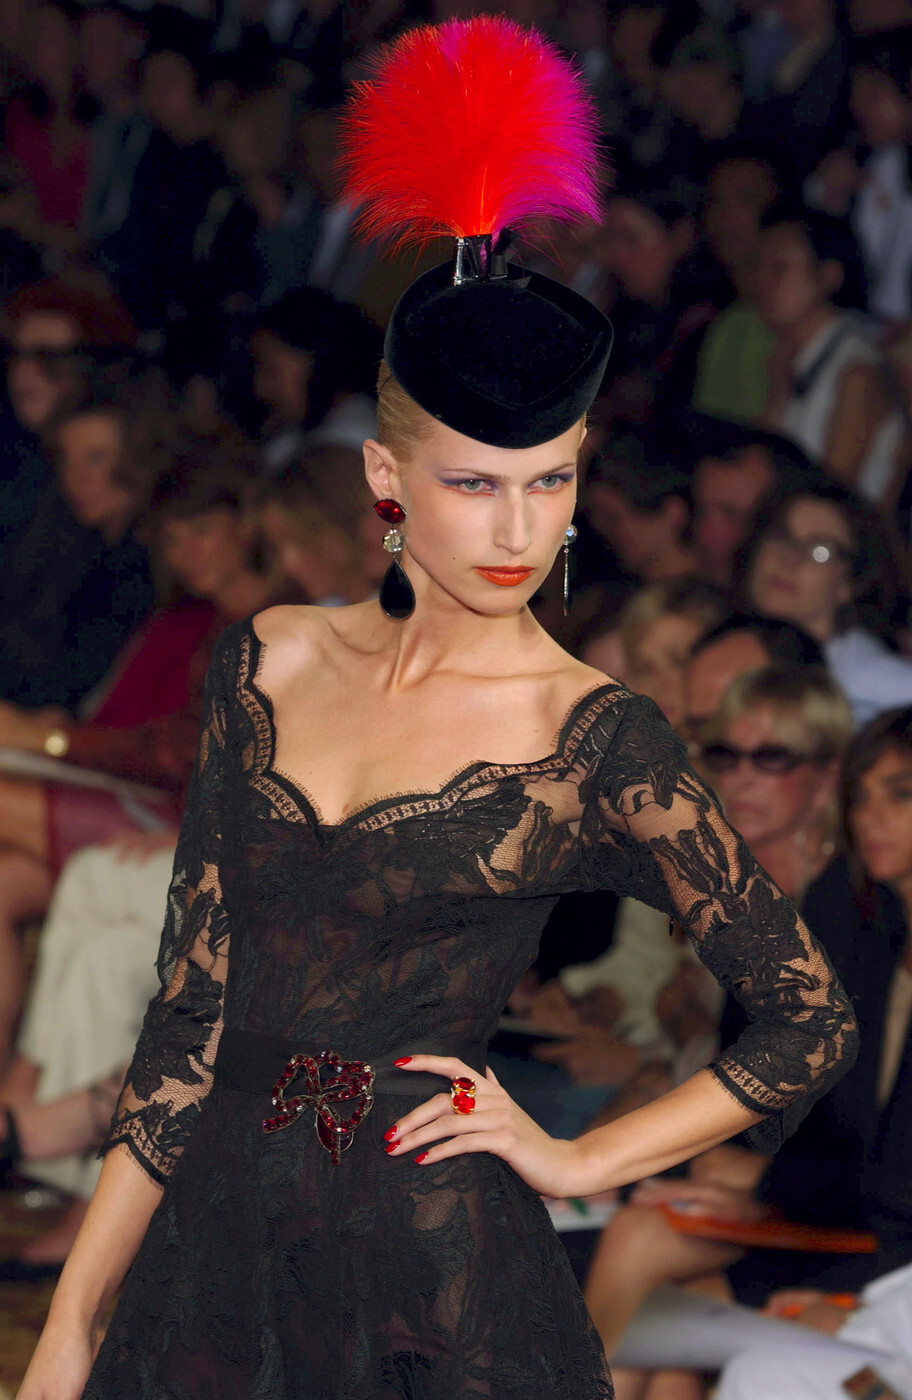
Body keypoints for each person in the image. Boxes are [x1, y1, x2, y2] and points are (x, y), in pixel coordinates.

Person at [20, 21, 858, 1399]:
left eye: (551, 480)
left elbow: (807, 1018)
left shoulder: (594, 735)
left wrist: (577, 1158)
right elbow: (187, 1028)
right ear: (386, 481)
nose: (519, 528)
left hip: (437, 1283)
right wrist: (69, 1322)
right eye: (475, 483)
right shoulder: (266, 662)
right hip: (217, 1266)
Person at [740, 478, 912, 724]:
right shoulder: (729, 650)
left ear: (849, 581)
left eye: (820, 551)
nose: (789, 559)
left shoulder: (876, 685)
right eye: (781, 537)